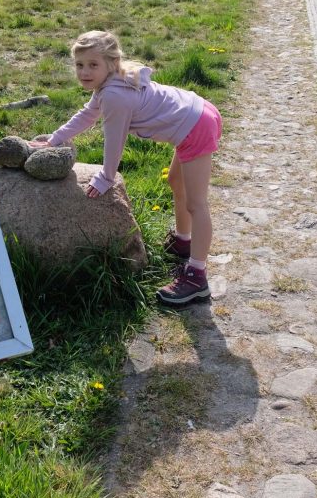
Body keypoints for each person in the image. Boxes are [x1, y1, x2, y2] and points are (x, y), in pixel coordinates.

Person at [28, 30, 222, 307]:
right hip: (196, 113)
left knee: (196, 204)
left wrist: (106, 177)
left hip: (195, 127)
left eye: (92, 65)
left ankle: (196, 277)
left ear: (111, 63)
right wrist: (55, 138)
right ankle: (183, 241)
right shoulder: (111, 81)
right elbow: (88, 114)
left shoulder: (115, 96)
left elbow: (114, 140)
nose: (84, 72)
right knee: (176, 183)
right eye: (79, 65)